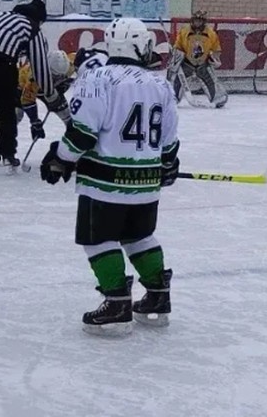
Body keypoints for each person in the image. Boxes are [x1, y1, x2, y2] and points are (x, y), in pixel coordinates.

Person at [40, 17, 180, 335]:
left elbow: (83, 132)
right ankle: (158, 296)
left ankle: (116, 302)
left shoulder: (97, 77)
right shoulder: (160, 84)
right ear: (139, 45)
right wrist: (168, 165)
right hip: (146, 183)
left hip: (105, 183)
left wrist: (60, 159)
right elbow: (169, 139)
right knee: (139, 237)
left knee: (97, 239)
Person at [0, 0, 70, 170]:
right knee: (7, 108)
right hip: (1, 60)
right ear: (39, 20)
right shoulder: (33, 28)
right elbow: (40, 69)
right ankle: (7, 153)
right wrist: (51, 95)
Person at [0, 50, 76, 162]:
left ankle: (76, 146)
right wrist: (35, 122)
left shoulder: (72, 62)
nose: (58, 78)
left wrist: (64, 84)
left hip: (49, 90)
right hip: (21, 87)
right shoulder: (33, 75)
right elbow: (27, 100)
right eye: (54, 75)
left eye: (61, 75)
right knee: (15, 116)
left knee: (69, 118)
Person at [169, 10, 227, 108]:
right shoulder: (184, 31)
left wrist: (215, 59)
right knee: (177, 81)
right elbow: (178, 46)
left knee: (211, 82)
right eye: (196, 20)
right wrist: (176, 55)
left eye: (200, 21)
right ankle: (173, 98)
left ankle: (217, 98)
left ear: (204, 21)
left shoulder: (211, 33)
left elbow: (216, 48)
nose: (197, 23)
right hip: (187, 63)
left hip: (203, 64)